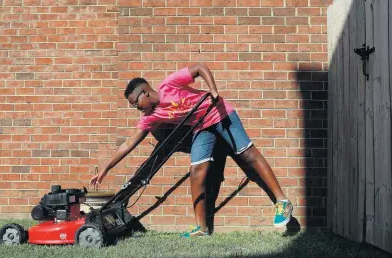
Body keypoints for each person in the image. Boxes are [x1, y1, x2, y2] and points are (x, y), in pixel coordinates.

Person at [90, 63, 293, 238]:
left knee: (247, 154)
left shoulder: (169, 83)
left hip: (220, 113)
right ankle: (201, 227)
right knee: (196, 173)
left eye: (136, 103)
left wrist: (213, 90)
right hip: (202, 127)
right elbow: (128, 144)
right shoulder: (150, 117)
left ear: (144, 92)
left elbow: (199, 67)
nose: (137, 108)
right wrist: (106, 168)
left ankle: (282, 201)